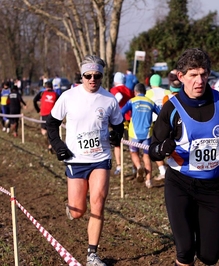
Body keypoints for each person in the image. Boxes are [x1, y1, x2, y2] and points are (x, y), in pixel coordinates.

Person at [149, 48, 219, 266]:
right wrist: (162, 149)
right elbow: (152, 147)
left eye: (204, 74)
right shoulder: (172, 108)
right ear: (180, 76)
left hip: (211, 187)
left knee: (209, 256)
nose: (199, 80)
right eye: (193, 75)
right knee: (185, 250)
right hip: (179, 184)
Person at [46, 55, 124, 266]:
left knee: (98, 203)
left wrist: (117, 136)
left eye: (97, 75)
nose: (92, 79)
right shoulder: (68, 97)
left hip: (101, 158)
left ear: (102, 76)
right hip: (75, 159)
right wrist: (58, 146)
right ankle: (73, 208)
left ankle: (92, 255)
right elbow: (51, 123)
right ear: (81, 76)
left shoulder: (109, 99)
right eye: (88, 76)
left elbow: (119, 124)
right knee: (78, 211)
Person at [121, 83, 160, 188]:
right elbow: (160, 114)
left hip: (134, 133)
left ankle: (138, 167)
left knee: (134, 153)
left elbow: (121, 112)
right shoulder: (150, 102)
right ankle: (149, 181)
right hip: (147, 134)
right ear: (145, 92)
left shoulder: (132, 101)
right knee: (146, 156)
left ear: (135, 92)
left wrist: (124, 122)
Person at [145, 74, 171, 180]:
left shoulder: (148, 93)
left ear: (151, 83)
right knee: (169, 144)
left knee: (156, 146)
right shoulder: (167, 92)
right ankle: (171, 167)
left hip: (155, 122)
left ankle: (162, 170)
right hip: (168, 122)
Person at [109, 72, 134, 175]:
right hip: (129, 119)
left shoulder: (114, 90)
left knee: (117, 144)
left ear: (115, 81)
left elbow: (118, 96)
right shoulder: (129, 90)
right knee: (131, 144)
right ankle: (134, 166)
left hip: (119, 119)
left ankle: (119, 166)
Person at [33, 81, 58, 151]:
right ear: (52, 87)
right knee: (52, 130)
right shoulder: (55, 94)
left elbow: (34, 100)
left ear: (45, 87)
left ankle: (48, 141)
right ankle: (50, 144)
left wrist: (38, 109)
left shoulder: (42, 93)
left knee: (44, 130)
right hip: (52, 114)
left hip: (43, 114)